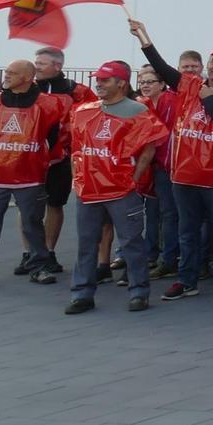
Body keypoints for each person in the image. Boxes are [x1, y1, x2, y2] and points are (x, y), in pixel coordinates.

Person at [131, 21, 213, 302]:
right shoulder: (189, 85)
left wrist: (209, 101)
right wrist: (143, 38)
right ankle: (187, 280)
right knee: (187, 230)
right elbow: (161, 68)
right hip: (184, 174)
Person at [63, 61, 167, 315]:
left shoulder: (137, 111)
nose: (98, 84)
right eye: (97, 79)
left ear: (121, 83)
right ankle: (82, 294)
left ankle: (139, 291)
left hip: (121, 191)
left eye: (105, 80)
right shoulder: (84, 110)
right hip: (89, 190)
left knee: (131, 242)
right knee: (87, 243)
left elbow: (150, 146)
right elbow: (76, 148)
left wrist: (135, 177)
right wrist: (78, 178)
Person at [0, 60, 68, 289]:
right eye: (6, 72)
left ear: (27, 77)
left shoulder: (47, 105)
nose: (6, 75)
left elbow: (54, 138)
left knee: (33, 224)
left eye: (12, 73)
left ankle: (39, 267)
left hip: (31, 177)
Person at [32, 46, 93, 273]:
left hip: (62, 159)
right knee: (27, 206)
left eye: (41, 64)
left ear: (57, 66)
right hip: (30, 158)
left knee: (54, 204)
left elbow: (92, 119)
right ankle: (29, 253)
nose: (35, 67)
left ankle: (48, 252)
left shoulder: (77, 91)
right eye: (36, 63)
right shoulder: (27, 88)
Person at [136, 64, 180, 280]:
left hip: (170, 164)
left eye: (150, 82)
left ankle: (170, 258)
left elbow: (164, 134)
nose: (145, 86)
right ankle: (155, 254)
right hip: (154, 164)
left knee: (169, 213)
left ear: (162, 84)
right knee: (156, 212)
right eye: (142, 82)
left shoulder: (169, 101)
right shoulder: (143, 104)